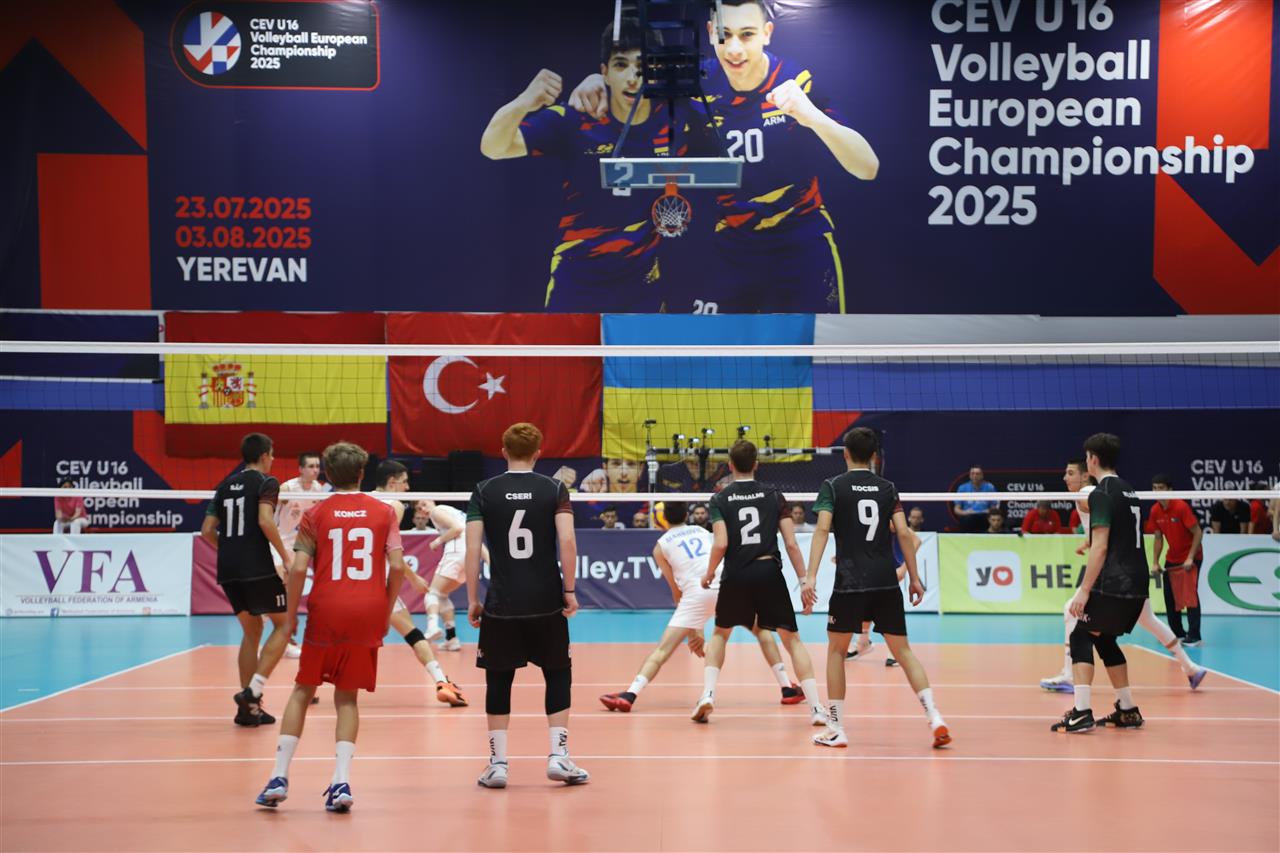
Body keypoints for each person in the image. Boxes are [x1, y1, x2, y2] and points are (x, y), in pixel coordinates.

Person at [570, 0, 880, 313]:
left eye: (746, 35)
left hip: (799, 243)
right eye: (724, 34)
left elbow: (867, 167)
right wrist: (596, 82)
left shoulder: (795, 81)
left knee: (812, 344)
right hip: (733, 249)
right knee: (717, 343)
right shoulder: (697, 81)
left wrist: (811, 116)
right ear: (709, 32)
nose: (734, 49)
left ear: (766, 33)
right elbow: (634, 88)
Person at [480, 19, 674, 311]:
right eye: (621, 65)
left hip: (642, 287)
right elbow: (493, 147)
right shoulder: (575, 119)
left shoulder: (673, 121)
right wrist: (524, 102)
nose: (632, 78)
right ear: (605, 72)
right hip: (577, 282)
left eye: (642, 66)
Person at [253, 442, 406, 811]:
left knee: (303, 690)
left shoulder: (316, 513)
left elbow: (298, 568)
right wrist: (384, 611)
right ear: (361, 473)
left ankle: (278, 776)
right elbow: (398, 567)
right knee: (347, 698)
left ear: (328, 475)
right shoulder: (385, 512)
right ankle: (341, 782)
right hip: (367, 610)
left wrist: (290, 615)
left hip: (327, 609)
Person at [805, 428, 950, 749]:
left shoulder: (832, 486)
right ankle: (934, 715)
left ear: (845, 453)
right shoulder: (887, 488)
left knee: (836, 652)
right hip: (885, 580)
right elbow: (904, 533)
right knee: (904, 652)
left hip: (850, 582)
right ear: (873, 456)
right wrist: (914, 577)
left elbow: (823, 530)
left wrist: (810, 576)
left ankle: (836, 728)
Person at [466, 423, 589, 789]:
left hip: (502, 602)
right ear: (538, 453)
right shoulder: (554, 488)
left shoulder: (483, 490)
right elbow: (567, 540)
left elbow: (472, 549)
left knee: (498, 678)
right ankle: (559, 756)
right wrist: (569, 590)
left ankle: (498, 765)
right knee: (558, 673)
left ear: (503, 451)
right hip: (546, 600)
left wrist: (472, 599)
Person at [599, 501, 808, 713]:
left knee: (662, 650)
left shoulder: (660, 547)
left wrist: (693, 630)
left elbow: (677, 591)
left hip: (696, 594)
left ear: (662, 519)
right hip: (727, 585)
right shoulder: (701, 531)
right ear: (686, 516)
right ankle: (786, 687)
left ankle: (630, 694)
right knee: (761, 631)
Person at [1041, 460, 1206, 694]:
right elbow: (1107, 525)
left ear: (1086, 475)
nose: (1065, 478)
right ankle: (1190, 667)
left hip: (1114, 570)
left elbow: (1102, 517)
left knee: (1071, 611)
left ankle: (1069, 676)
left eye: (1070, 473)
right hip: (1132, 568)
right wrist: (1088, 542)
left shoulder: (1088, 493)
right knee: (1148, 619)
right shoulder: (1096, 495)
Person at [693, 439, 825, 726]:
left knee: (720, 634)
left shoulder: (720, 499)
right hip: (768, 571)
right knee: (792, 640)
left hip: (736, 573)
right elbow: (791, 543)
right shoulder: (774, 495)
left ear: (730, 465)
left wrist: (709, 572)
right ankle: (816, 708)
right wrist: (804, 580)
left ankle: (708, 695)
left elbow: (721, 543)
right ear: (756, 464)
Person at [201, 433, 292, 727]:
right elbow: (265, 520)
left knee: (252, 632)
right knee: (285, 625)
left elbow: (206, 530)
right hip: (257, 566)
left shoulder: (224, 486)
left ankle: (248, 710)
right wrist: (286, 557)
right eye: (272, 454)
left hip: (228, 568)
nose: (273, 459)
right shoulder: (268, 482)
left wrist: (230, 549)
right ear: (264, 455)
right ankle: (252, 693)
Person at [375, 462, 466, 706]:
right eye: (404, 482)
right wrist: (413, 578)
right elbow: (389, 551)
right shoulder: (393, 505)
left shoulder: (361, 501)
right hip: (379, 584)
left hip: (352, 585)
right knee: (413, 633)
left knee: (336, 637)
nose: (407, 488)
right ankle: (441, 681)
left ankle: (308, 685)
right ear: (392, 482)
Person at [274, 452, 333, 659]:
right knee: (277, 590)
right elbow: (266, 512)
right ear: (300, 469)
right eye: (310, 466)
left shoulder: (318, 489)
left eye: (317, 466)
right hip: (279, 544)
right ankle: (271, 640)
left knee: (289, 595)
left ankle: (286, 642)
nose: (315, 470)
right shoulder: (287, 488)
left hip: (301, 547)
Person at [421, 496, 490, 652]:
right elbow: (474, 538)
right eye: (419, 508)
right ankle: (451, 639)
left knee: (432, 593)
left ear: (432, 500)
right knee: (442, 595)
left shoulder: (437, 511)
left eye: (424, 504)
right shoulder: (459, 514)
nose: (423, 510)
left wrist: (437, 541)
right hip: (471, 557)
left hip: (456, 553)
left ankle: (432, 627)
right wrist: (488, 560)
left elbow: (457, 528)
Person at [1148, 475, 1204, 646]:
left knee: (1189, 596)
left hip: (1191, 557)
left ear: (1170, 489)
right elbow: (1158, 538)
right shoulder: (1155, 510)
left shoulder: (1181, 507)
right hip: (1172, 558)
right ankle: (1177, 633)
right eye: (1154, 488)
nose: (1157, 491)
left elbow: (1198, 533)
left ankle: (1194, 636)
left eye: (1161, 488)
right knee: (1170, 596)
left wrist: (1190, 557)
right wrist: (1155, 562)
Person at [954, 466, 998, 532]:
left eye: (977, 474)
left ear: (982, 476)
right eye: (973, 473)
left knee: (991, 520)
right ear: (970, 476)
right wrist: (965, 512)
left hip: (984, 516)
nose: (975, 476)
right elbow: (956, 509)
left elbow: (994, 507)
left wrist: (989, 511)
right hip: (968, 517)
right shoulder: (962, 488)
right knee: (968, 519)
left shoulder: (990, 487)